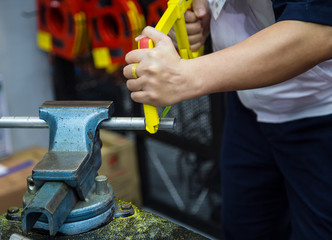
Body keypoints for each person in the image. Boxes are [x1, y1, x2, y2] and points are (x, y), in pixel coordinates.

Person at [123, 0, 332, 239]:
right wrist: (207, 8)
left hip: (319, 111)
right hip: (248, 106)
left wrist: (186, 76)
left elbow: (320, 28)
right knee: (244, 229)